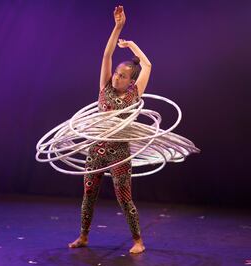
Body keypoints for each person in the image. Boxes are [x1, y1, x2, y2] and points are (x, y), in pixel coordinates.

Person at [68, 5, 151, 254]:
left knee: (124, 198)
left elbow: (147, 65)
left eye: (122, 75)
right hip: (97, 149)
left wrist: (132, 46)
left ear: (131, 81)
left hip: (120, 153)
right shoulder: (104, 88)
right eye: (116, 73)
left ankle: (138, 241)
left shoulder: (135, 94)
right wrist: (117, 28)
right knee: (88, 194)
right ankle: (83, 236)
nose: (116, 77)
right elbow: (106, 56)